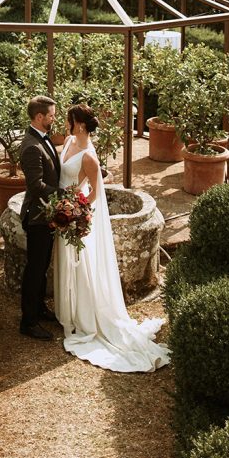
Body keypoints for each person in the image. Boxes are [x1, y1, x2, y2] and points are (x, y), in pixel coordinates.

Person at [54, 103, 170, 372]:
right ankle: (67, 311)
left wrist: (77, 210)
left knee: (80, 264)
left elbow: (96, 191)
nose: (66, 124)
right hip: (62, 210)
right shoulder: (70, 140)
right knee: (65, 260)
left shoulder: (88, 157)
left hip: (75, 214)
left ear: (79, 124)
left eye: (69, 120)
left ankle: (84, 315)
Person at [18, 95, 62, 340]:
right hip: (37, 216)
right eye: (51, 116)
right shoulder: (31, 147)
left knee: (42, 266)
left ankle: (39, 307)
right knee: (34, 269)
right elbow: (36, 186)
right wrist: (64, 194)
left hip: (47, 214)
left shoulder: (41, 139)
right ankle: (28, 321)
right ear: (39, 117)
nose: (53, 119)